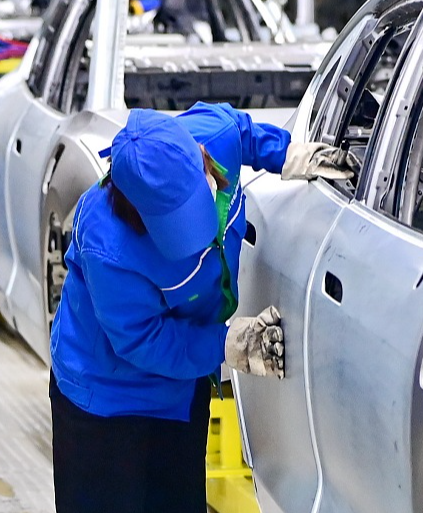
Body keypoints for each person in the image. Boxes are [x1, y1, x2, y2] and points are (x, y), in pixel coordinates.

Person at [49, 101, 353, 513]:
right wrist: (228, 346)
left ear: (202, 159)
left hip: (181, 386)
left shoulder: (211, 136)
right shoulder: (110, 245)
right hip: (107, 399)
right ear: (137, 211)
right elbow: (142, 339)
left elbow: (241, 131)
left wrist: (288, 153)